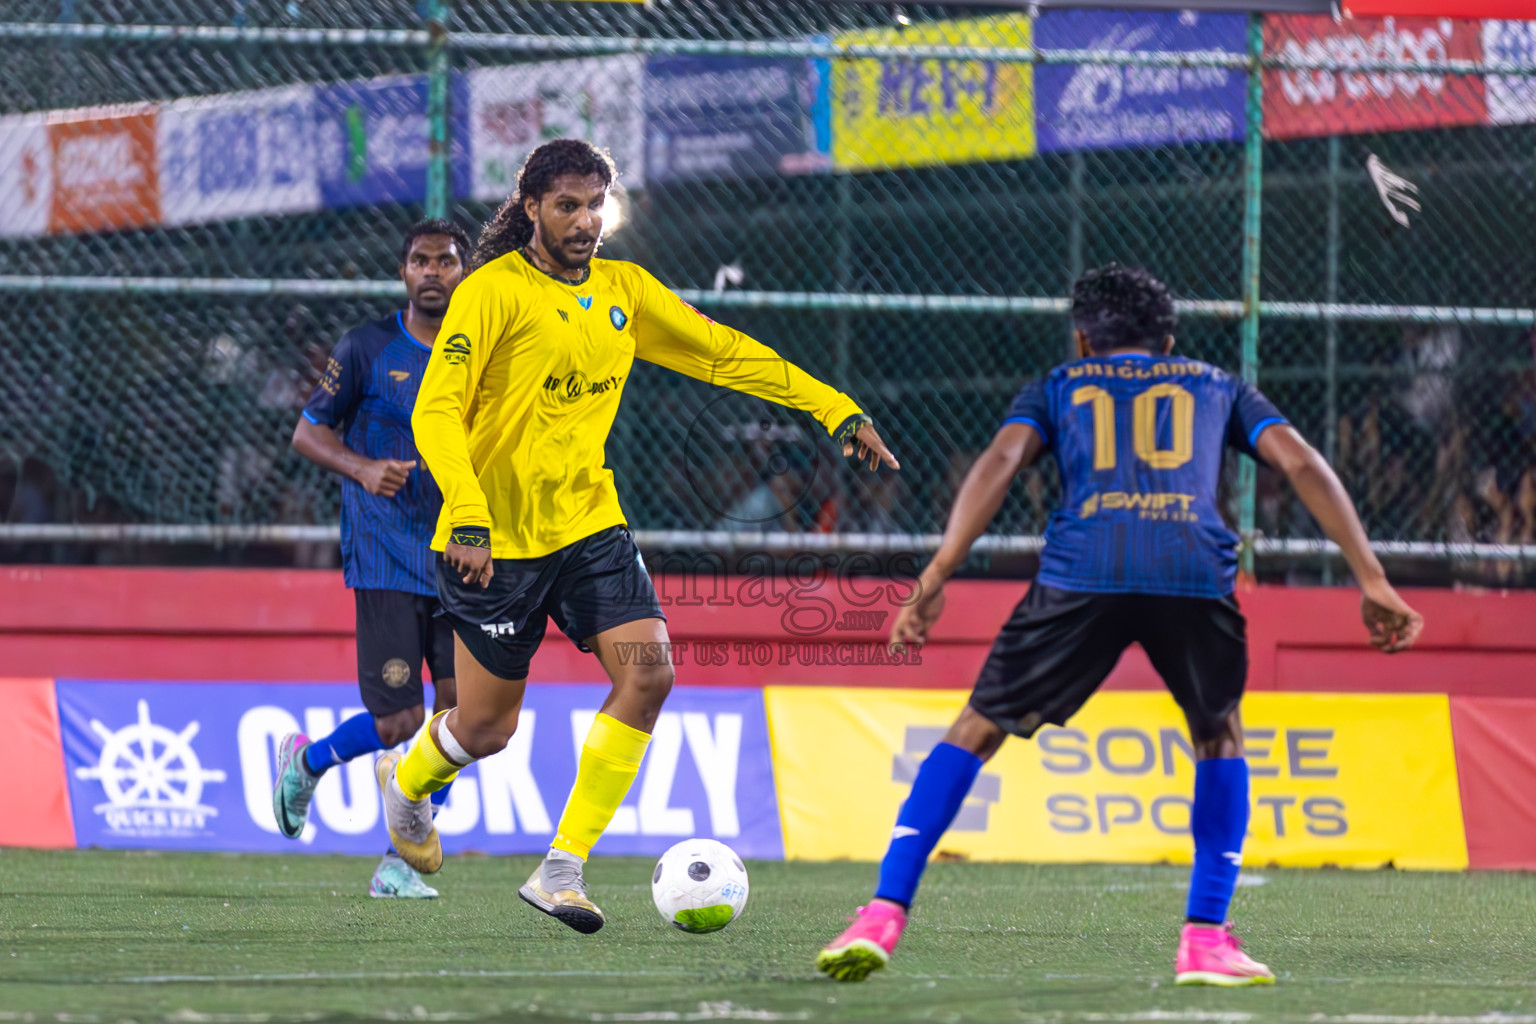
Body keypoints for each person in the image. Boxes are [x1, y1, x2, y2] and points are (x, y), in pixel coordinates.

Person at [815, 263, 1424, 986]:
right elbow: (1300, 462)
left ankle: (883, 912)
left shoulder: (1057, 385)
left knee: (976, 728)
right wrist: (1372, 577)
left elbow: (1001, 460)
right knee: (1219, 731)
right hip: (1191, 570)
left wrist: (937, 574)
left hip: (1084, 571)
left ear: (1082, 339)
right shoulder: (1218, 384)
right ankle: (1204, 938)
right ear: (1167, 340)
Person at [374, 138, 898, 933]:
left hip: (590, 526)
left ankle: (561, 869)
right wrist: (471, 515)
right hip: (496, 542)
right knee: (485, 728)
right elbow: (435, 411)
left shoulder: (626, 291)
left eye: (595, 205)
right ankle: (407, 787)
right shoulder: (491, 293)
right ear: (532, 210)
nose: (585, 221)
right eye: (566, 206)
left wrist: (836, 408)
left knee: (650, 675)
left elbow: (723, 354)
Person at [270, 218, 472, 899]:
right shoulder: (365, 347)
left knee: (461, 718)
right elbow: (307, 432)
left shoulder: (483, 351)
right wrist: (359, 469)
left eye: (446, 261)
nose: (434, 272)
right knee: (400, 722)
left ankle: (396, 862)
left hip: (459, 554)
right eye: (422, 261)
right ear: (404, 273)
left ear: (464, 271)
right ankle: (309, 762)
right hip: (386, 554)